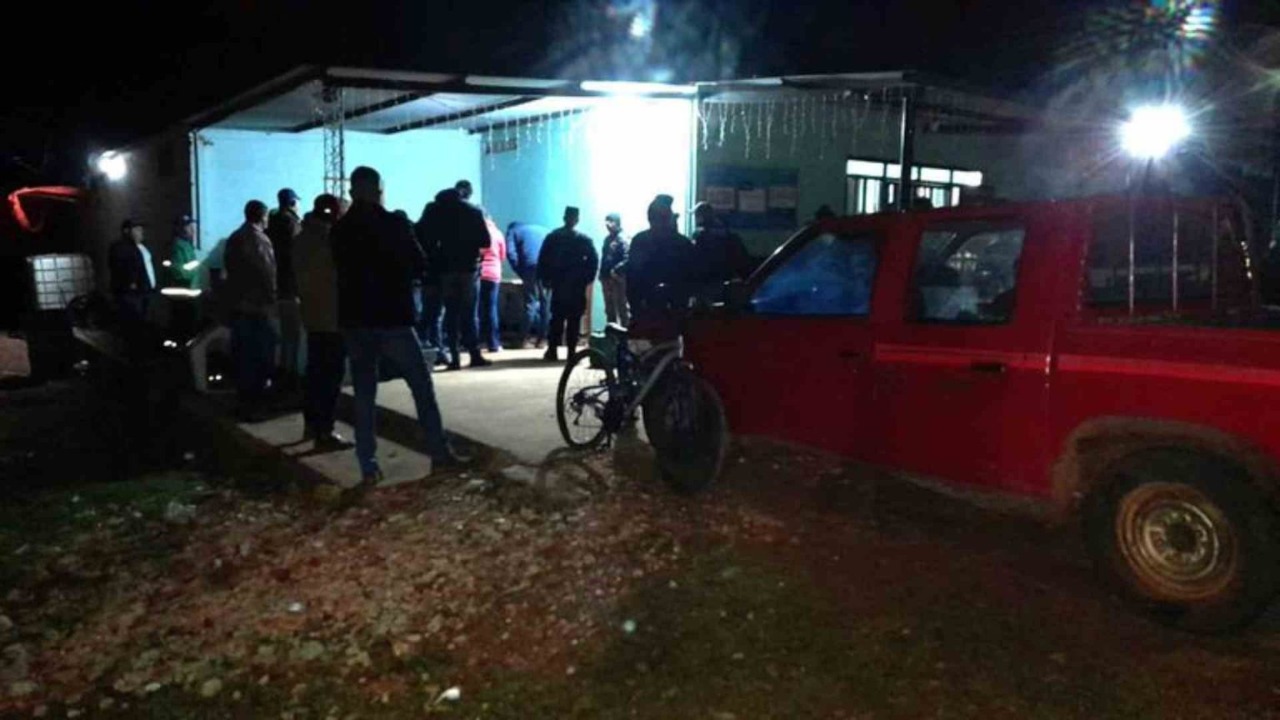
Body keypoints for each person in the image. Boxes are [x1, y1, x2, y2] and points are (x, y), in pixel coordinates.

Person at [332, 166, 464, 486]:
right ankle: (439, 452)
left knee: (364, 392)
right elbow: (419, 263)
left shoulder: (339, 230)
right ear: (379, 190)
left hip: (356, 319)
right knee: (421, 385)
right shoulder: (394, 223)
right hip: (393, 317)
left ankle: (368, 465)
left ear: (351, 192)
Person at [293, 194, 349, 450]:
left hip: (312, 314)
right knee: (330, 376)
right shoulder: (331, 239)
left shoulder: (301, 238)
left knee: (315, 372)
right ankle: (325, 432)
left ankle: (311, 424)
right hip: (333, 316)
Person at [419, 187, 491, 370]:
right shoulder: (473, 212)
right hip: (468, 268)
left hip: (445, 270)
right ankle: (474, 353)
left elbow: (426, 238)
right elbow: (485, 241)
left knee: (451, 313)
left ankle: (454, 357)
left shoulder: (437, 212)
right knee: (469, 313)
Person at [224, 200, 278, 421]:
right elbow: (267, 272)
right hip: (256, 306)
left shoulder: (235, 237)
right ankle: (256, 406)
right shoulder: (259, 239)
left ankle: (243, 402)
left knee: (242, 357)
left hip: (238, 305)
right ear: (262, 217)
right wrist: (272, 298)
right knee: (260, 356)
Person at [538, 206, 599, 362]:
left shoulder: (553, 237)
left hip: (558, 283)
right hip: (576, 285)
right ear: (577, 220)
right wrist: (587, 279)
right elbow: (593, 262)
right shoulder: (584, 240)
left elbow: (543, 260)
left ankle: (552, 350)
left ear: (564, 218)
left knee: (556, 318)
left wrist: (545, 279)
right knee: (574, 319)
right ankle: (571, 352)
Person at [627, 194, 695, 320]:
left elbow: (632, 277)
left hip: (662, 306)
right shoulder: (682, 242)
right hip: (661, 306)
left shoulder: (641, 240)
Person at [268, 188, 304, 388]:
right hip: (291, 286)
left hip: (277, 285)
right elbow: (297, 256)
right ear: (291, 203)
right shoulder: (291, 224)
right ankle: (290, 374)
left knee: (284, 332)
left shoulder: (271, 223)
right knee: (292, 334)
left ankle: (283, 371)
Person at [691, 201, 751, 299]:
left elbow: (695, 261)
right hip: (727, 281)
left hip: (707, 282)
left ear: (700, 217)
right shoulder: (729, 234)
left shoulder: (699, 236)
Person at [506, 221, 550, 348]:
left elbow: (511, 254)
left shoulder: (512, 232)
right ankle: (543, 340)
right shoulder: (543, 229)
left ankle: (521, 339)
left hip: (530, 267)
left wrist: (521, 272)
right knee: (545, 304)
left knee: (530, 302)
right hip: (547, 267)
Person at [108, 218, 156, 327]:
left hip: (145, 291)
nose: (141, 232)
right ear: (127, 231)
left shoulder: (142, 247)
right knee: (133, 323)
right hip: (132, 295)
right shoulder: (120, 247)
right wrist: (131, 283)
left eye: (141, 229)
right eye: (137, 229)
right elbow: (119, 268)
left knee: (144, 321)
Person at [479, 214, 508, 352]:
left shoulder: (477, 232)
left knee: (477, 309)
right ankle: (493, 343)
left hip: (479, 273)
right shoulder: (498, 234)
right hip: (493, 274)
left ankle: (477, 342)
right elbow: (502, 255)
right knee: (491, 308)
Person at [598, 212, 630, 327]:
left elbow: (628, 258)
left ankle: (625, 335)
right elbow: (604, 257)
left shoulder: (623, 238)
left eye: (610, 222)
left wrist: (616, 270)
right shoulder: (607, 239)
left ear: (617, 223)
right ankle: (611, 335)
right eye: (606, 222)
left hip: (617, 279)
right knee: (609, 309)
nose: (607, 225)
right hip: (607, 278)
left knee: (622, 308)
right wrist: (601, 274)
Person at [167, 214, 200, 289]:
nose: (192, 229)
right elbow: (180, 273)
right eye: (188, 226)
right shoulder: (177, 246)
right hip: (183, 288)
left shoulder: (187, 244)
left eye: (192, 226)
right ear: (180, 229)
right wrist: (194, 272)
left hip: (191, 287)